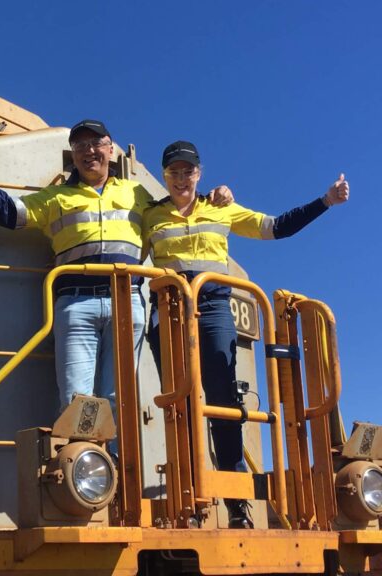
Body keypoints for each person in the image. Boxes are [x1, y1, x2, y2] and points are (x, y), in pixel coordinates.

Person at [0, 121, 233, 446]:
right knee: (78, 399)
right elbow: (9, 213)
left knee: (118, 399)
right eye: (80, 146)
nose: (89, 151)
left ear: (109, 148)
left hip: (127, 303)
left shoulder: (137, 195)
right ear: (73, 155)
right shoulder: (56, 198)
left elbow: (178, 208)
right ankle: (87, 484)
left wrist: (216, 196)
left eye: (96, 143)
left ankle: (114, 478)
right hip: (76, 304)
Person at [143, 140, 350, 528]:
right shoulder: (149, 215)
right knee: (177, 404)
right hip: (169, 313)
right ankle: (186, 499)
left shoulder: (220, 208)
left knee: (223, 398)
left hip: (213, 310)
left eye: (188, 171)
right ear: (165, 176)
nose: (181, 178)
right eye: (174, 172)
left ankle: (237, 500)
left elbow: (275, 227)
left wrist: (325, 201)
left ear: (199, 174)